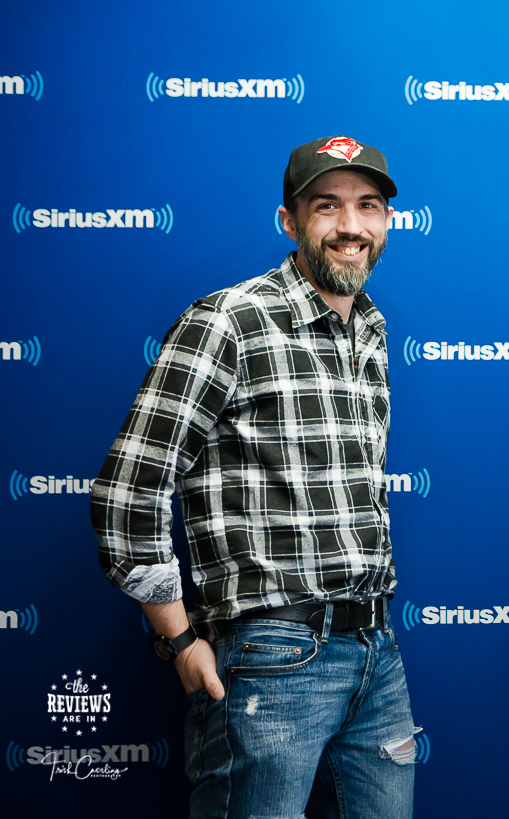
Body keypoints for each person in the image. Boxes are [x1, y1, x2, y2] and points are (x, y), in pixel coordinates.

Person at [91, 135, 417, 819]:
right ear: (289, 221)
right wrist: (179, 640)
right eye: (326, 206)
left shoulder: (373, 332)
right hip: (271, 657)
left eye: (368, 207)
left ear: (387, 221)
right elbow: (128, 489)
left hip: (375, 656)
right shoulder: (230, 320)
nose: (350, 226)